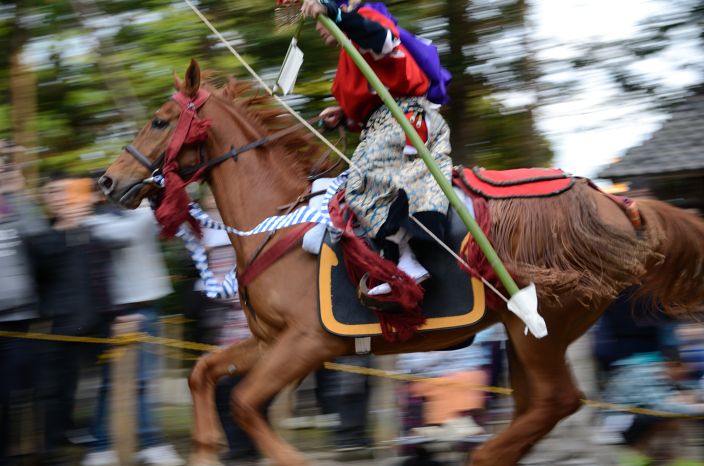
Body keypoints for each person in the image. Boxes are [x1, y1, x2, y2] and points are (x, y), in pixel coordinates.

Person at [300, 0, 453, 295]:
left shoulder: (365, 21)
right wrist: (345, 114)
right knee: (354, 188)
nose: (318, 27)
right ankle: (402, 259)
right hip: (389, 123)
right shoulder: (352, 43)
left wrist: (335, 15)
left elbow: (383, 41)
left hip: (403, 122)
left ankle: (404, 263)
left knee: (360, 185)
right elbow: (378, 91)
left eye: (320, 16)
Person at [80, 193, 183, 466]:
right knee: (117, 383)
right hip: (121, 314)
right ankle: (140, 444)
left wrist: (160, 196)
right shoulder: (94, 223)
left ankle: (105, 445)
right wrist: (152, 202)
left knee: (140, 381)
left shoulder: (135, 215)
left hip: (146, 309)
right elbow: (129, 233)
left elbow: (163, 223)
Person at [25, 173, 115, 466]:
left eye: (67, 192)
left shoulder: (93, 236)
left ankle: (90, 437)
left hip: (93, 326)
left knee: (94, 386)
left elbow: (101, 279)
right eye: (55, 194)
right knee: (53, 391)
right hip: (56, 328)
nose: (63, 199)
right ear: (48, 200)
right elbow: (37, 282)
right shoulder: (42, 240)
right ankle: (50, 451)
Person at [0, 146, 46, 465]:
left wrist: (18, 194)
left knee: (14, 393)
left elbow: (41, 237)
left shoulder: (15, 206)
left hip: (18, 319)